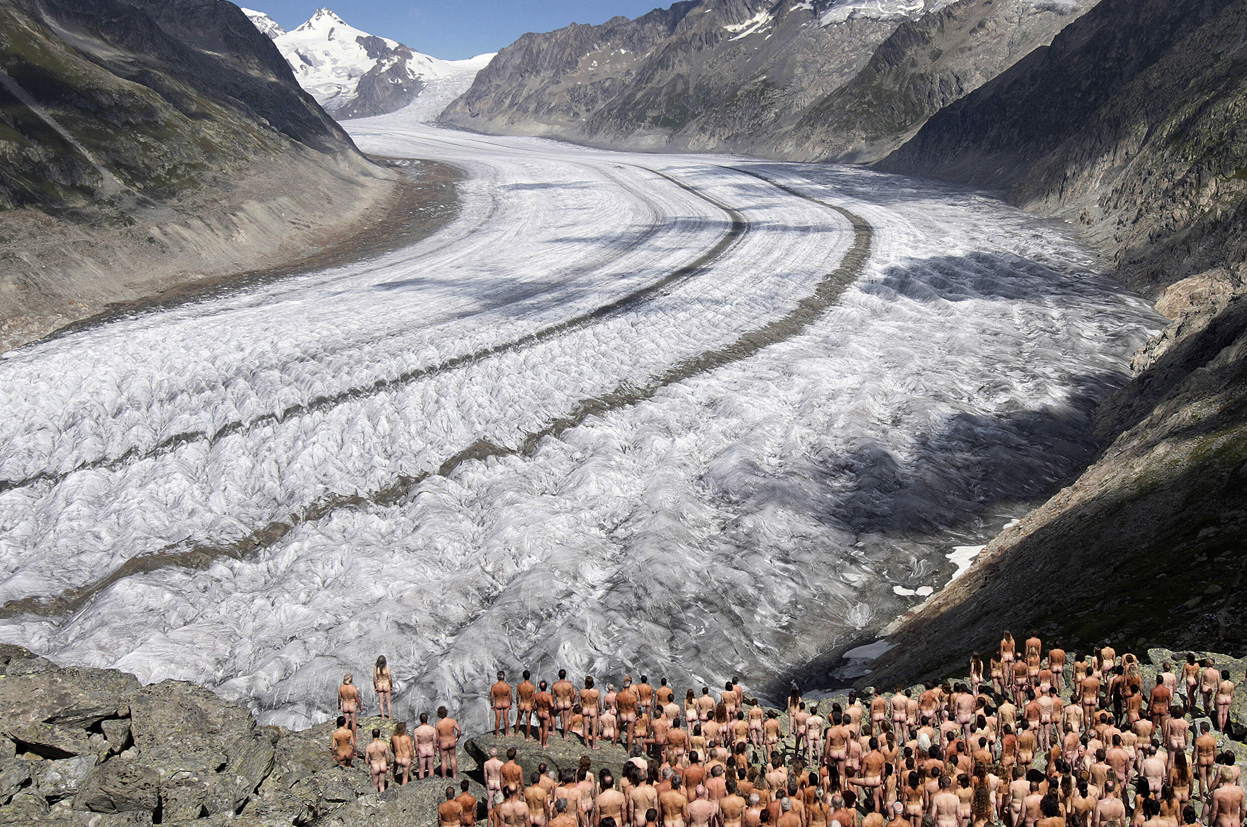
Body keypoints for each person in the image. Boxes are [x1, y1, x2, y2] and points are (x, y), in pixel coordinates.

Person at [437, 706, 463, 779]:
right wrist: (457, 737)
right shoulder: (452, 721)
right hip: (452, 742)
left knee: (443, 760)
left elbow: (436, 736)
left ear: (439, 714)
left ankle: (444, 776)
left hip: (443, 743)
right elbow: (459, 730)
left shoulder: (438, 724)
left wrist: (436, 743)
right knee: (452, 758)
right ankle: (454, 775)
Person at [553, 671, 576, 740]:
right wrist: (571, 701)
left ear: (558, 675)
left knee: (552, 715)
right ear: (565, 675)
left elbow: (552, 695)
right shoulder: (569, 685)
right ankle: (565, 735)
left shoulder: (555, 685)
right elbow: (572, 695)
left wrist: (552, 703)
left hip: (559, 703)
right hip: (567, 702)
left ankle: (554, 731)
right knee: (566, 719)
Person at [366, 728, 390, 792]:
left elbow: (366, 760)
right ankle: (383, 800)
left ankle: (376, 800)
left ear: (372, 735)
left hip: (374, 765)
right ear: (379, 734)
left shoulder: (369, 747)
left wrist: (368, 766)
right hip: (383, 764)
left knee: (375, 786)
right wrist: (388, 765)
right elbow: (387, 757)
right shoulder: (384, 745)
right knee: (382, 785)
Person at [416, 712, 439, 779]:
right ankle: (430, 783)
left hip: (422, 750)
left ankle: (421, 782)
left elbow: (416, 744)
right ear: (427, 719)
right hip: (430, 749)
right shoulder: (432, 729)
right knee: (431, 767)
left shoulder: (417, 730)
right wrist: (435, 751)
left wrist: (417, 752)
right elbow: (435, 742)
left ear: (420, 720)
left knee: (422, 769)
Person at [338, 673, 361, 741]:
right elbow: (356, 698)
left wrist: (339, 705)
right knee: (353, 722)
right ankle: (354, 737)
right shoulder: (353, 688)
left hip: (345, 705)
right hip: (352, 705)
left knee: (346, 722)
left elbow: (339, 698)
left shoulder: (341, 688)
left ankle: (345, 736)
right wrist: (360, 706)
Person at [391, 721, 414, 785]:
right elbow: (411, 750)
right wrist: (412, 758)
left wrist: (395, 753)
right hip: (405, 759)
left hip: (398, 758)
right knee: (405, 776)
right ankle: (403, 789)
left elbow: (391, 747)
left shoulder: (393, 737)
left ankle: (393, 776)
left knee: (395, 764)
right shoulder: (407, 738)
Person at [493, 672, 514, 737]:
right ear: (503, 677)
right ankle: (506, 733)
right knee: (506, 718)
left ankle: (497, 734)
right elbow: (510, 696)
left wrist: (492, 705)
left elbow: (492, 697)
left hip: (498, 703)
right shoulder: (507, 686)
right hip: (505, 703)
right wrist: (510, 704)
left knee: (497, 719)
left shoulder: (494, 686)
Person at [535, 680, 555, 749]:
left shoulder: (536, 695)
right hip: (546, 712)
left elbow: (532, 705)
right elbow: (552, 705)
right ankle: (544, 744)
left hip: (539, 712)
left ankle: (540, 741)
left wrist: (535, 709)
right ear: (546, 687)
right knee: (546, 729)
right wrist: (551, 710)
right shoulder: (548, 696)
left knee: (540, 726)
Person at [518, 670, 537, 741]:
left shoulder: (519, 685)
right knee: (528, 721)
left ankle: (516, 733)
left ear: (523, 676)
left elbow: (517, 696)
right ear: (529, 676)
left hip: (522, 703)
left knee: (518, 719)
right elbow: (533, 697)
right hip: (528, 704)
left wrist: (518, 702)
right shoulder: (532, 686)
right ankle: (527, 737)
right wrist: (533, 704)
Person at [374, 656, 393, 720]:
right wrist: (391, 686)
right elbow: (390, 679)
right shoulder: (387, 669)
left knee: (381, 702)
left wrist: (375, 687)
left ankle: (382, 716)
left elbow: (375, 680)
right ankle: (390, 716)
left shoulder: (376, 669)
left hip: (380, 685)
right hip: (386, 684)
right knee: (388, 702)